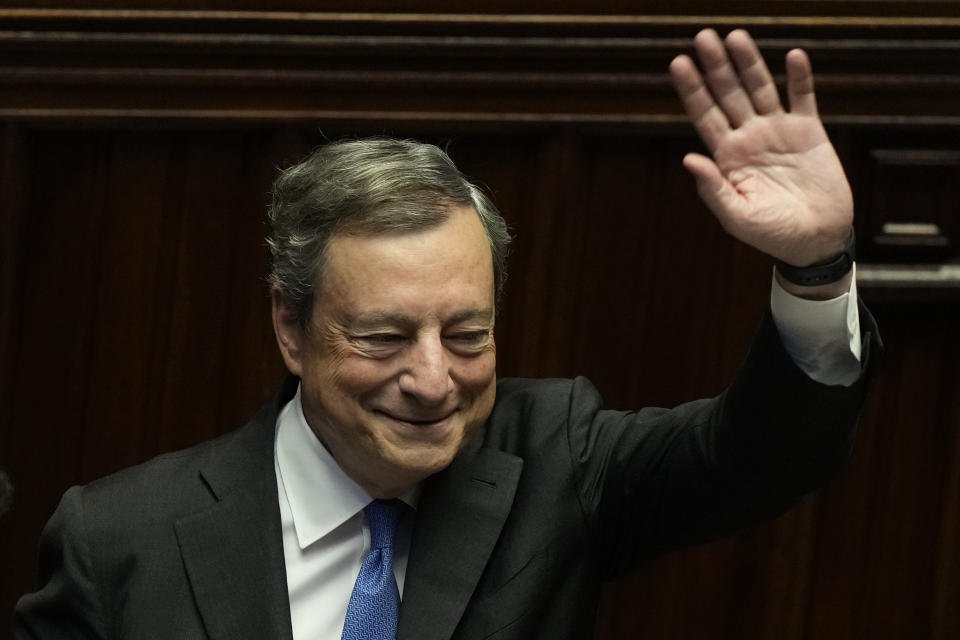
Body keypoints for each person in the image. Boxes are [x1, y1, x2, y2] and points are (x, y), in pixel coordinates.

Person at [14, 28, 880, 640]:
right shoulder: (120, 541)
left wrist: (815, 269)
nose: (433, 381)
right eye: (384, 338)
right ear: (290, 323)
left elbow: (764, 455)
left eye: (466, 334)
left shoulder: (557, 462)